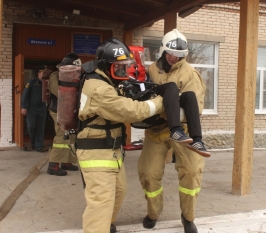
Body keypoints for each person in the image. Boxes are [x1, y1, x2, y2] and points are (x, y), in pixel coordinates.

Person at [76, 38, 164, 233]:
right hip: (96, 153)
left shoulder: (106, 80)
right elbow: (130, 112)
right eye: (119, 69)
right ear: (106, 67)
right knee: (101, 202)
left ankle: (107, 225)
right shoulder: (98, 88)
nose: (123, 73)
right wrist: (158, 103)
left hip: (111, 151)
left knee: (118, 191)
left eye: (126, 68)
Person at [138, 29, 206, 233]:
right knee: (148, 173)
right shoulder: (152, 70)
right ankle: (153, 213)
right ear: (163, 50)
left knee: (192, 172)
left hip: (182, 132)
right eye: (170, 53)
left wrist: (165, 112)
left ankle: (188, 217)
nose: (173, 57)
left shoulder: (190, 74)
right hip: (156, 132)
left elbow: (196, 109)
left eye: (178, 55)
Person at [46, 53, 81, 176]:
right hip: (58, 110)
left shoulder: (77, 76)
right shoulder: (55, 76)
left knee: (71, 135)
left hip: (70, 110)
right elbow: (58, 91)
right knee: (62, 135)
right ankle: (53, 164)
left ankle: (66, 162)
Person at [21, 66, 48, 152]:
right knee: (31, 126)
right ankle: (33, 142)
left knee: (40, 128)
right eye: (43, 73)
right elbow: (25, 95)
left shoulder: (47, 83)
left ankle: (39, 146)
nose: (44, 75)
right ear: (39, 73)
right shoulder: (32, 82)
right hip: (32, 107)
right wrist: (24, 107)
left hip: (43, 107)